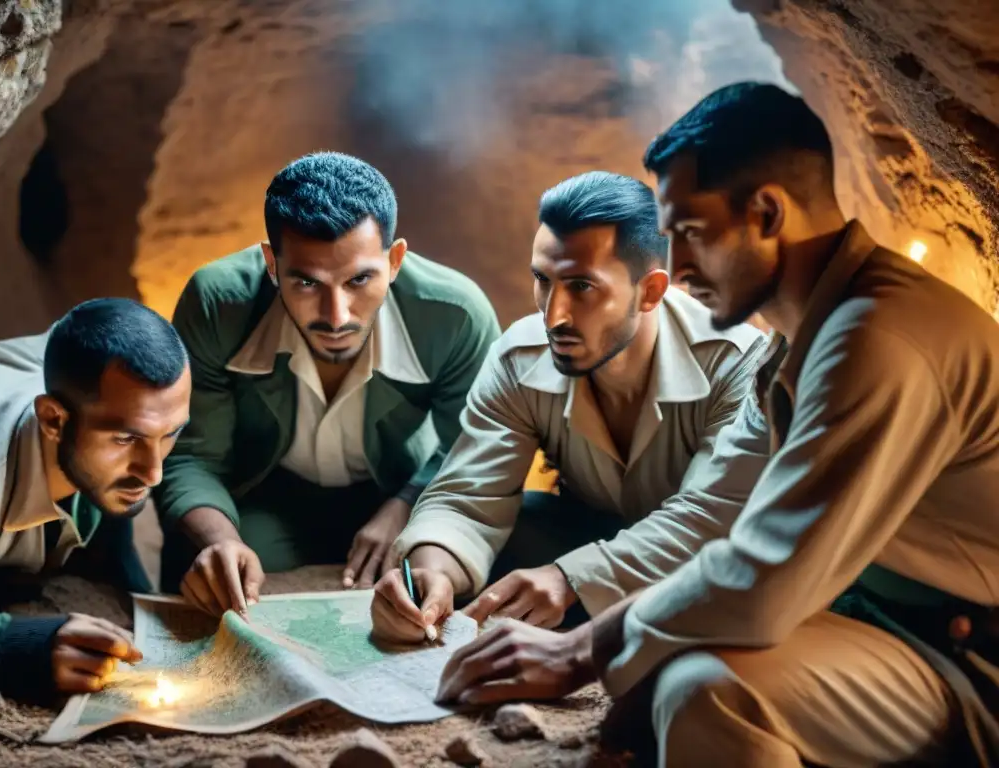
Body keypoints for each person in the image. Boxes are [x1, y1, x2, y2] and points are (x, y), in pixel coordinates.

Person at [434, 82, 999, 768]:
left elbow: (764, 581)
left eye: (692, 235)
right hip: (883, 622)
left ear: (766, 213)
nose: (677, 269)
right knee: (667, 658)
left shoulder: (879, 338)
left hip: (968, 656)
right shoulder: (809, 333)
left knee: (708, 691)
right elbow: (728, 525)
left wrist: (581, 649)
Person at [371, 171, 767, 643]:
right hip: (585, 534)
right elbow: (468, 495)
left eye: (582, 287)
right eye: (543, 279)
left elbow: (713, 517)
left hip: (703, 566)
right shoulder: (519, 357)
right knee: (518, 520)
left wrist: (570, 578)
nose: (553, 314)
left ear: (651, 291)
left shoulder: (736, 361)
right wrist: (430, 569)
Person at [154, 151, 500, 616]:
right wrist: (221, 542)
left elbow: (476, 449)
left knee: (432, 575)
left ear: (395, 261)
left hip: (399, 494)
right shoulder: (218, 303)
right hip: (263, 496)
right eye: (306, 284)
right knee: (210, 571)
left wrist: (405, 505)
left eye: (360, 280)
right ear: (272, 265)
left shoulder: (455, 315)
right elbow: (191, 454)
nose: (336, 316)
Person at [0, 298, 191, 702]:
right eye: (127, 439)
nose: (154, 472)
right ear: (53, 420)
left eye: (169, 434)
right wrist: (6, 648)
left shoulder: (82, 360)